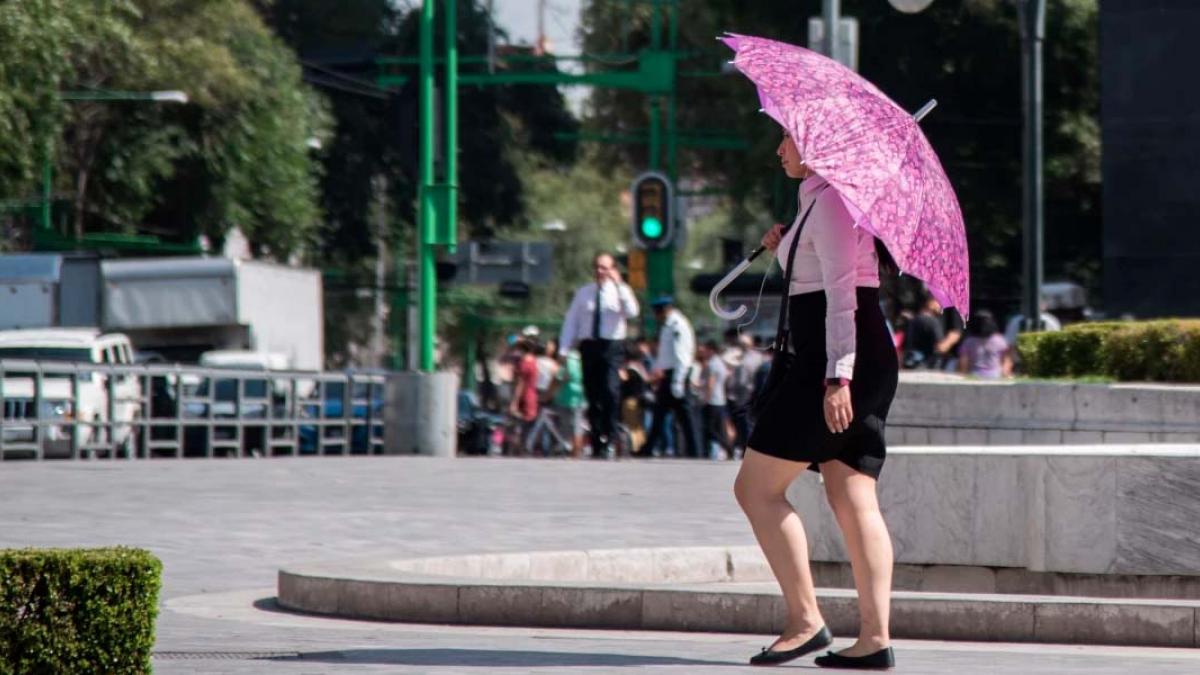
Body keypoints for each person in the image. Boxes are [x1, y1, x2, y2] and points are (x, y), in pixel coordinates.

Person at [734, 130, 899, 669]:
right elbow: (816, 278)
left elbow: (841, 292)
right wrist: (785, 246)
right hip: (855, 356)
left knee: (756, 489)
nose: (778, 149)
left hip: (833, 361)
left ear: (815, 147)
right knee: (852, 497)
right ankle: (874, 640)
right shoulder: (821, 199)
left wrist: (837, 377)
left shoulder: (829, 201)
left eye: (785, 138)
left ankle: (805, 621)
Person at [559, 253, 640, 459]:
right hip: (589, 346)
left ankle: (611, 434)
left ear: (613, 269)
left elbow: (632, 312)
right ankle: (597, 440)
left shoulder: (620, 291)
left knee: (611, 391)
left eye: (604, 267)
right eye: (597, 267)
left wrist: (620, 285)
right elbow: (572, 321)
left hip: (612, 345)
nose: (600, 271)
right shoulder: (584, 293)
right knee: (593, 394)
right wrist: (564, 349)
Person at [638, 296, 702, 458]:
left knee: (686, 417)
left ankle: (696, 450)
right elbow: (665, 355)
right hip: (669, 375)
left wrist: (678, 380)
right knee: (660, 414)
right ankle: (648, 448)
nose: (656, 316)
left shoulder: (677, 325)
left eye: (657, 312)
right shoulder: (668, 325)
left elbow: (682, 355)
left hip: (677, 375)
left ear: (664, 311)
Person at [698, 340, 733, 460]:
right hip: (721, 399)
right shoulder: (721, 363)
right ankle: (728, 448)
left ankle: (727, 446)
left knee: (710, 428)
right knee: (720, 427)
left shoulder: (712, 364)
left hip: (713, 400)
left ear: (711, 350)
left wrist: (706, 399)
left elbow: (710, 383)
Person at [958, 309, 1013, 379]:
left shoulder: (968, 341)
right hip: (995, 375)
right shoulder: (1000, 340)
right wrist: (1005, 374)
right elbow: (1007, 360)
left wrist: (963, 375)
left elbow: (963, 362)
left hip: (975, 375)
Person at [552, 346, 586, 458]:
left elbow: (561, 376)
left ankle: (569, 449)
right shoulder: (582, 359)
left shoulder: (566, 359)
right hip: (579, 396)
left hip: (565, 397)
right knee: (577, 425)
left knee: (566, 425)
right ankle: (577, 451)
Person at [507, 338, 540, 454]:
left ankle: (520, 451)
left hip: (524, 398)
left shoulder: (523, 364)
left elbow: (520, 384)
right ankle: (527, 450)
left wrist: (514, 402)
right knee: (529, 427)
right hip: (533, 397)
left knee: (519, 428)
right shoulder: (534, 362)